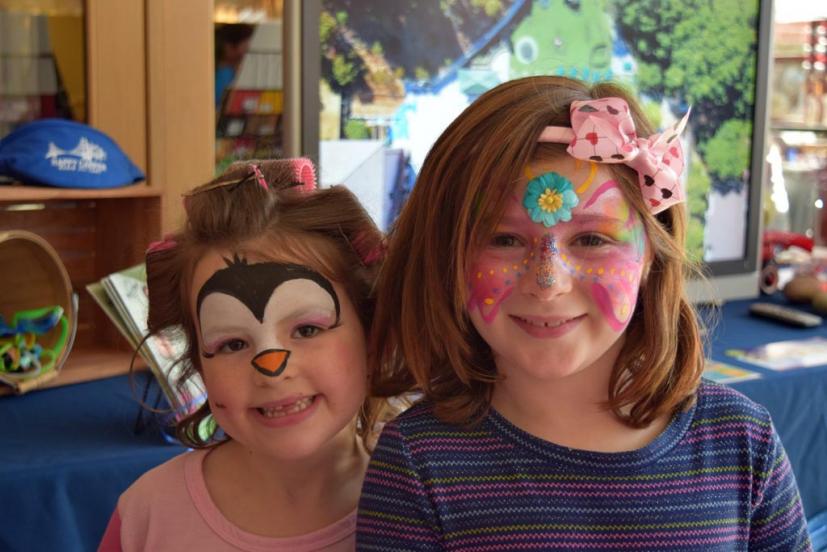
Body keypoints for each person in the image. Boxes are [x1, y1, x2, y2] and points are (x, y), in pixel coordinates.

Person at [357, 76, 812, 550]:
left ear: (650, 255)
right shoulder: (416, 464)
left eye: (592, 239)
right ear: (448, 257)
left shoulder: (742, 441)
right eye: (503, 239)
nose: (548, 282)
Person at [98, 158, 385, 551]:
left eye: (307, 329)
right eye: (232, 343)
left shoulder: (428, 507)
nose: (272, 367)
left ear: (371, 332)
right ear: (197, 361)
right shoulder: (147, 516)